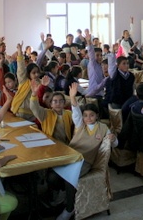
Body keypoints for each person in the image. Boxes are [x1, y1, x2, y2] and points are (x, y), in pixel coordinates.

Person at [55, 83, 117, 220]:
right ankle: (62, 195)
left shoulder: (103, 128)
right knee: (53, 174)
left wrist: (113, 139)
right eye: (86, 115)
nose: (88, 118)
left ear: (97, 116)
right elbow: (76, 113)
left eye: (92, 115)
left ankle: (69, 208)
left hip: (86, 161)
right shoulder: (80, 125)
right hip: (71, 156)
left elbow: (114, 143)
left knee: (70, 178)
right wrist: (72, 98)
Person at [30, 79, 73, 144]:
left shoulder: (69, 114)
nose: (58, 104)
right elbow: (34, 108)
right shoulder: (46, 113)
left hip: (65, 144)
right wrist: (34, 94)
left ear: (64, 103)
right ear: (51, 104)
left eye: (61, 101)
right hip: (50, 143)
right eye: (55, 101)